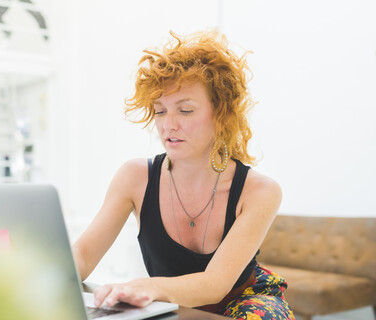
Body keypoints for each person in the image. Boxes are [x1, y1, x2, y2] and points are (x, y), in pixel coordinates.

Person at [72, 30, 295, 319]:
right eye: (160, 111)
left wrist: (146, 287)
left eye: (186, 111)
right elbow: (84, 255)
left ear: (222, 114)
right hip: (172, 305)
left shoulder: (261, 191)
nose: (169, 125)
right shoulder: (134, 177)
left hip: (246, 303)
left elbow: (216, 284)